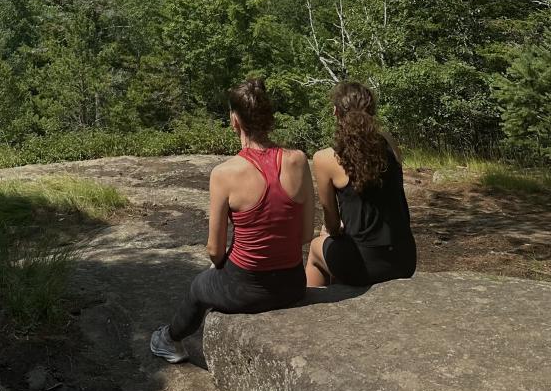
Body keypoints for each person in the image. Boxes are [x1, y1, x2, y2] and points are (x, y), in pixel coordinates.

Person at [151, 78, 314, 363]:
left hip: (246, 290)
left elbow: (215, 250)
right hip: (293, 284)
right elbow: (305, 234)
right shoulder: (299, 160)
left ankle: (169, 340)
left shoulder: (225, 173)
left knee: (199, 286)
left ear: (234, 120)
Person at [306, 81, 416, 288]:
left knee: (315, 248)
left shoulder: (326, 158)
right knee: (341, 245)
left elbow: (331, 224)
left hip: (366, 264)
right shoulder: (388, 142)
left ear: (335, 112)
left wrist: (333, 230)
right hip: (405, 259)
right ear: (371, 112)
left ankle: (317, 311)